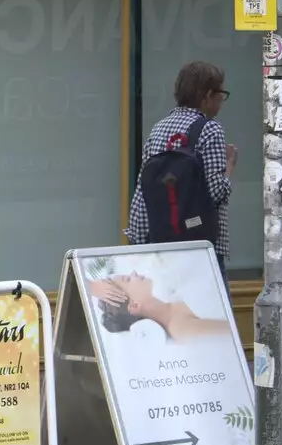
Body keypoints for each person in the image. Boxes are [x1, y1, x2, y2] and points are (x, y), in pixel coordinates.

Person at [126, 61, 237, 271]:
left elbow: (144, 187)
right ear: (208, 96)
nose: (222, 100)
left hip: (156, 239)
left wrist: (139, 240)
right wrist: (229, 166)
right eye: (221, 94)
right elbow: (213, 192)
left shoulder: (159, 128)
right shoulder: (210, 129)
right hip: (197, 244)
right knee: (212, 303)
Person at [86, 271, 234, 343]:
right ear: (134, 305)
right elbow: (228, 339)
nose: (134, 273)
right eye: (129, 279)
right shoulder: (182, 329)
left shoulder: (176, 295)